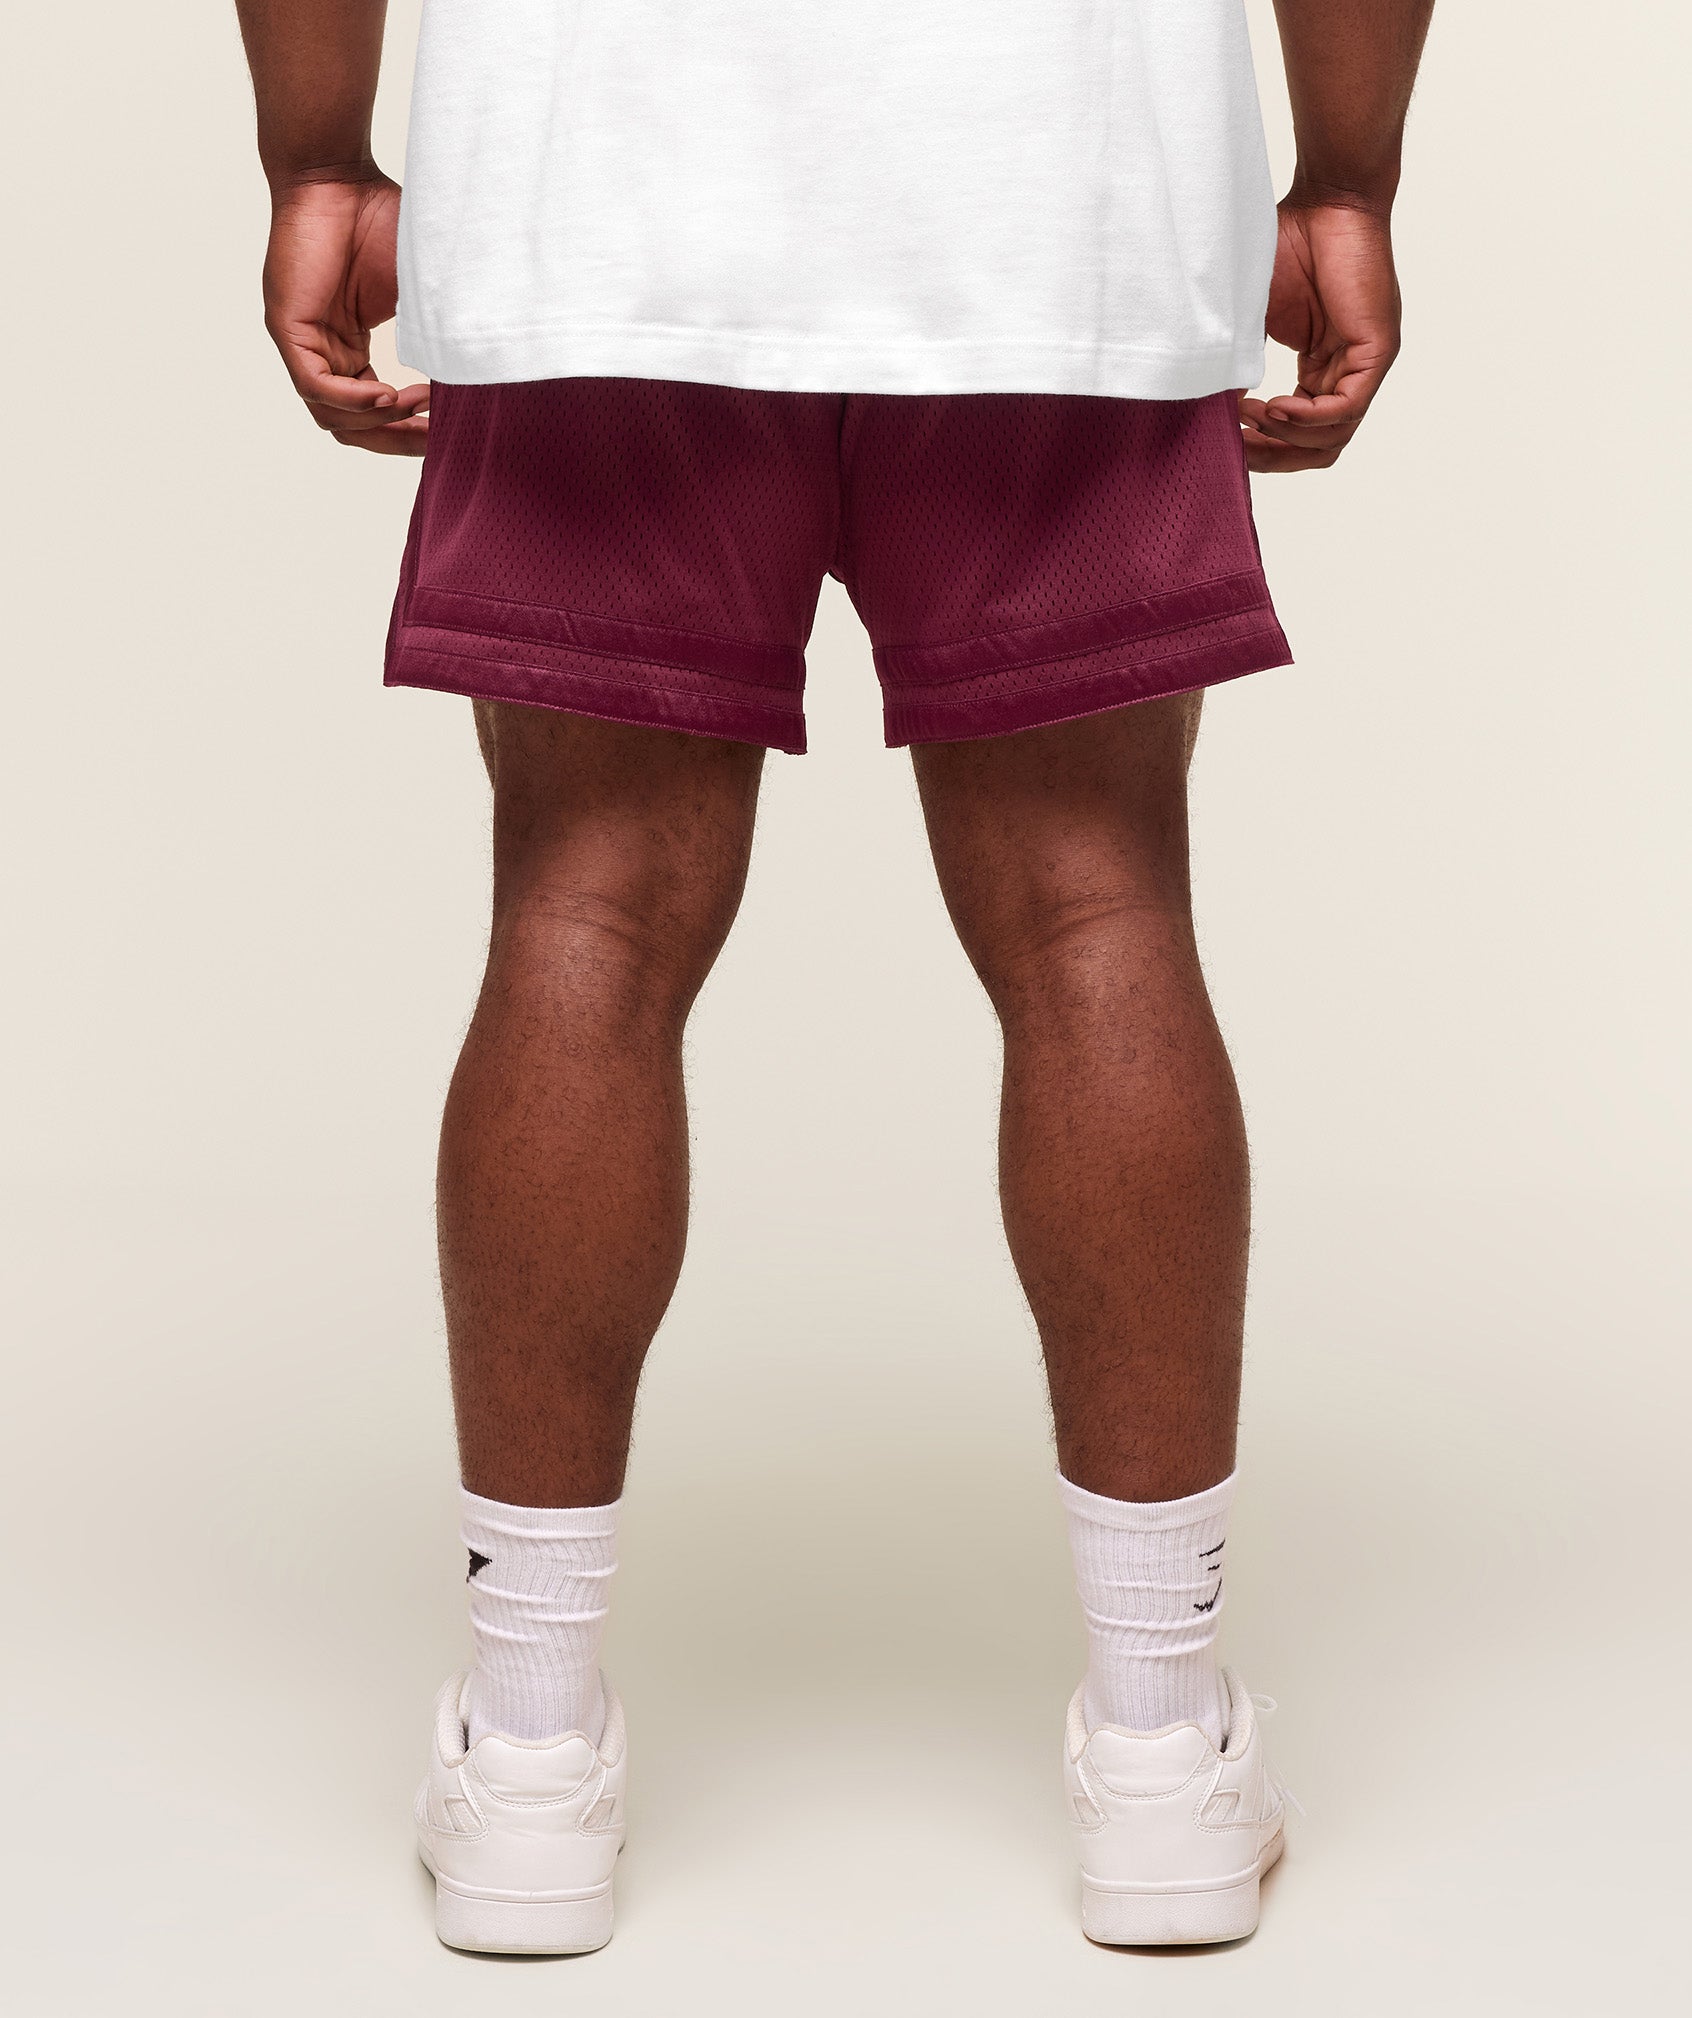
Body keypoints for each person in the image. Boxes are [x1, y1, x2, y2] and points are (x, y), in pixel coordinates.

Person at [236, 0, 1433, 1955]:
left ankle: (528, 1754)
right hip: (1067, 184)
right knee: (1097, 908)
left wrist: (313, 152)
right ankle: (1160, 1746)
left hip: (599, 189)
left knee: (586, 911)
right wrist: (1349, 175)